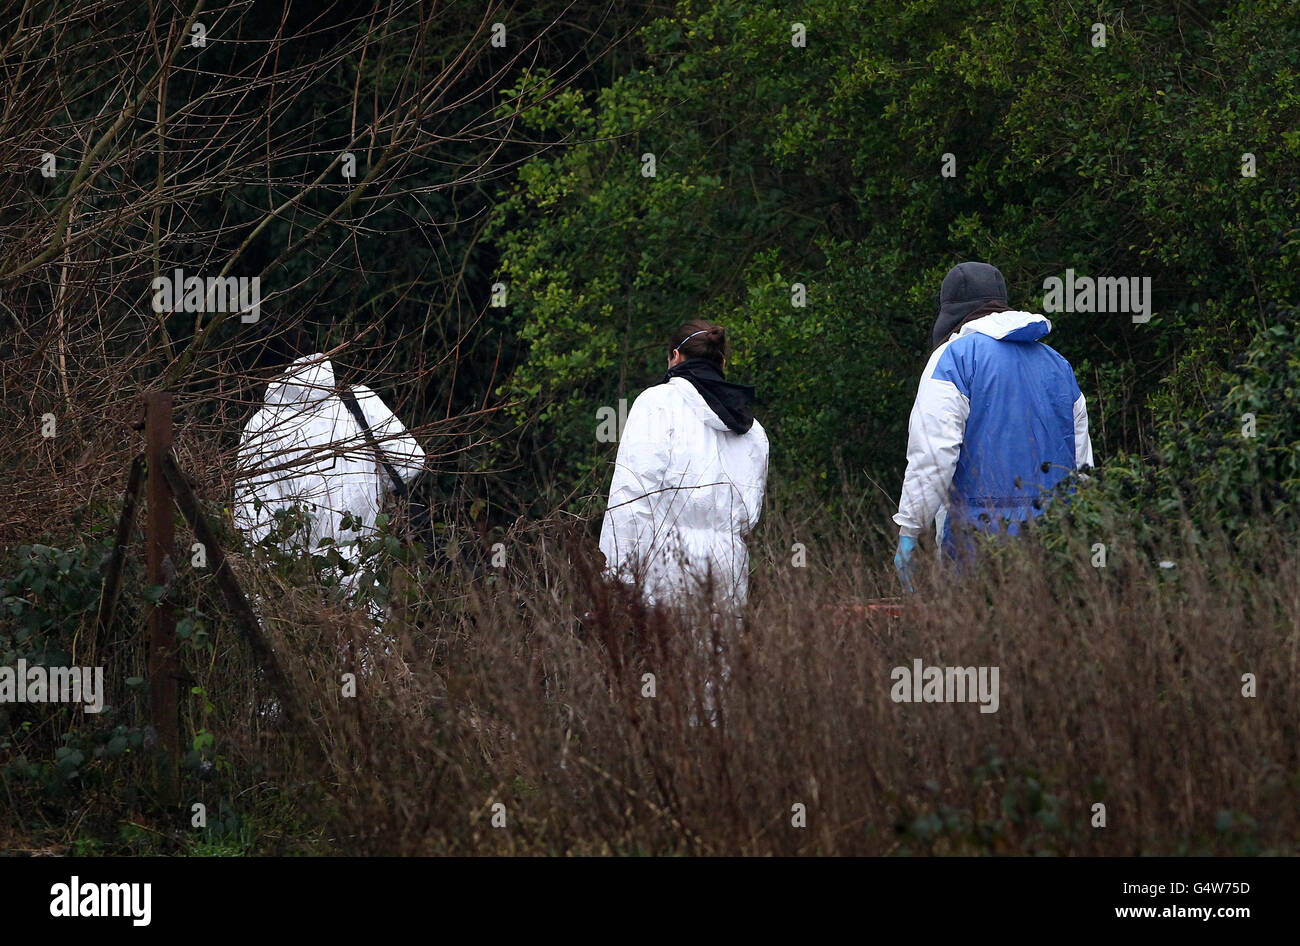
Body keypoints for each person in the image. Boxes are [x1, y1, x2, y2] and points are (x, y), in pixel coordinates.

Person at [893, 262, 1094, 587]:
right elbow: (1082, 467)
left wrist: (910, 530)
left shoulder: (953, 358)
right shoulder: (1059, 366)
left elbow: (933, 457)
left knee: (977, 634)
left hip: (975, 544)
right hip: (1057, 543)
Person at [232, 347, 425, 608]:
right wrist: (371, 491)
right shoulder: (357, 399)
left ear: (264, 372)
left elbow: (254, 526)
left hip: (300, 583)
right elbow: (411, 462)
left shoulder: (262, 428)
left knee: (310, 648)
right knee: (369, 640)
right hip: (365, 570)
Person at [599, 320, 769, 613]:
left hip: (664, 565)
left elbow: (631, 497)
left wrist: (616, 577)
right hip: (728, 567)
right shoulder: (752, 429)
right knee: (719, 656)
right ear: (722, 362)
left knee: (663, 656)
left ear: (675, 356)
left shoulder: (656, 403)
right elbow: (749, 514)